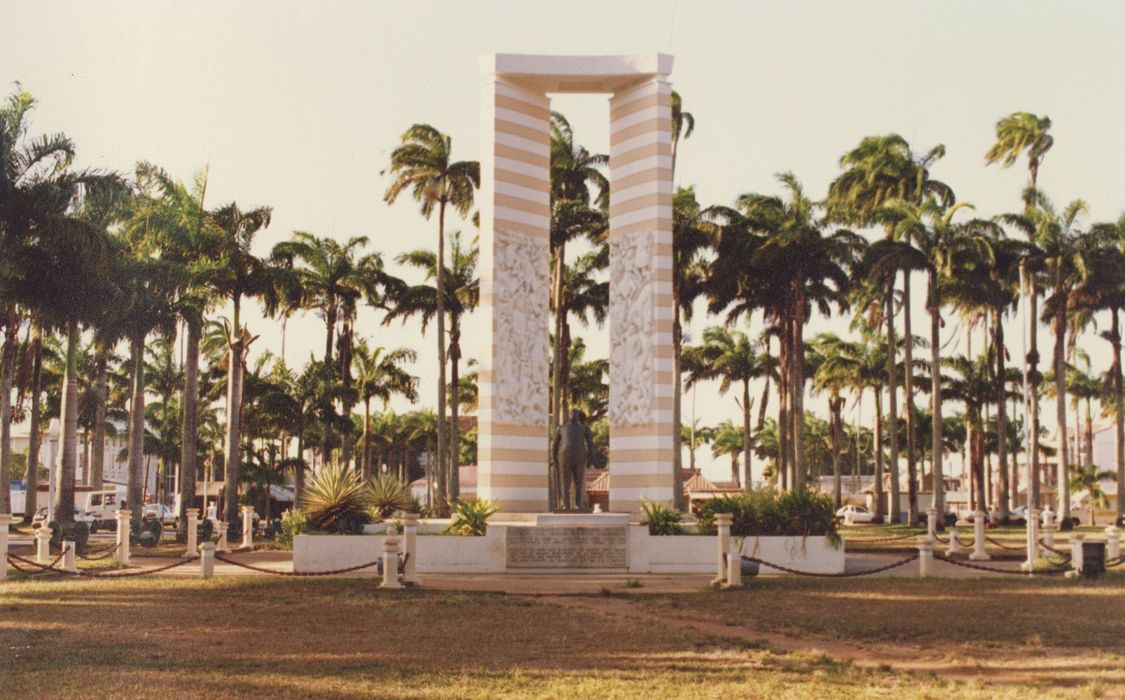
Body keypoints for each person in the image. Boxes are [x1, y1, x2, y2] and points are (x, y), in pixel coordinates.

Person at [551, 410, 595, 511]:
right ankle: (565, 504)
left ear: (578, 416)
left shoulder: (584, 429)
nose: (573, 415)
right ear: (569, 415)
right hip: (564, 458)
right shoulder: (561, 428)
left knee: (578, 481)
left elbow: (590, 444)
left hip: (579, 457)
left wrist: (592, 459)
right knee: (565, 482)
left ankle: (578, 504)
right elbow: (555, 446)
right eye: (571, 413)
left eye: (575, 414)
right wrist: (553, 458)